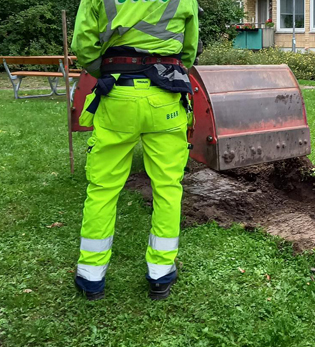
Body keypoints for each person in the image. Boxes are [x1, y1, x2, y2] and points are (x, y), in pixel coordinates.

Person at [71, 0, 199, 301]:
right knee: (168, 186)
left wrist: (105, 69)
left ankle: (91, 276)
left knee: (103, 188)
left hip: (118, 95)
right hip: (166, 97)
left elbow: (83, 44)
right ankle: (160, 273)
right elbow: (189, 49)